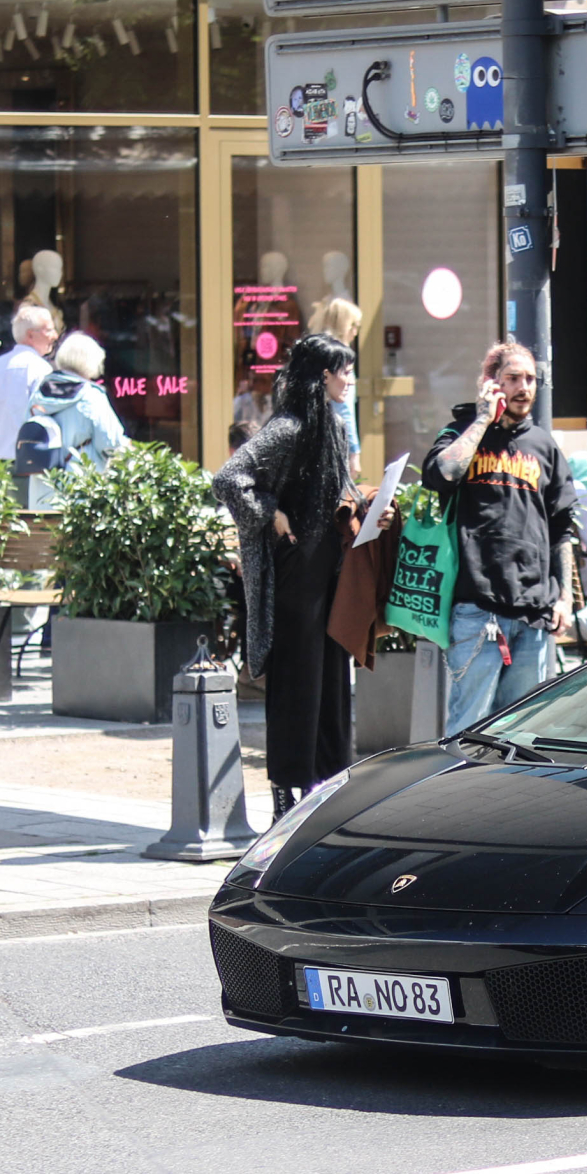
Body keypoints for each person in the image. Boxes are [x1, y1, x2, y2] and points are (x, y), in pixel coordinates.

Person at [213, 333, 358, 814]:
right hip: (296, 576)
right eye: (345, 371)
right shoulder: (290, 427)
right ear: (323, 376)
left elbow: (338, 490)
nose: (350, 380)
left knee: (333, 681)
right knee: (298, 682)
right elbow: (229, 478)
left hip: (330, 570)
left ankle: (328, 788)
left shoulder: (331, 428)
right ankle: (284, 795)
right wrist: (270, 512)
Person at [426, 341, 581, 733]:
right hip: (477, 608)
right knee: (468, 727)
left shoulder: (545, 447)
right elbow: (441, 475)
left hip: (532, 611)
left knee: (519, 732)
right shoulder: (462, 433)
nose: (524, 387)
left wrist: (564, 598)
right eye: (513, 378)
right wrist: (481, 420)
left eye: (530, 379)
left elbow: (563, 526)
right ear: (491, 383)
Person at [21, 332, 128, 504]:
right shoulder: (91, 396)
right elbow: (110, 443)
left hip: (40, 493)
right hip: (79, 494)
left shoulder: (38, 392)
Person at [0, 304, 58, 459]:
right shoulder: (40, 370)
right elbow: (46, 423)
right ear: (30, 335)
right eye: (49, 330)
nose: (55, 335)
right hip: (25, 467)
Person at [307, 296, 364, 474]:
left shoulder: (314, 352)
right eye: (354, 325)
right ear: (343, 326)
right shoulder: (340, 358)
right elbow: (344, 407)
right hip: (333, 441)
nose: (355, 332)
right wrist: (354, 451)